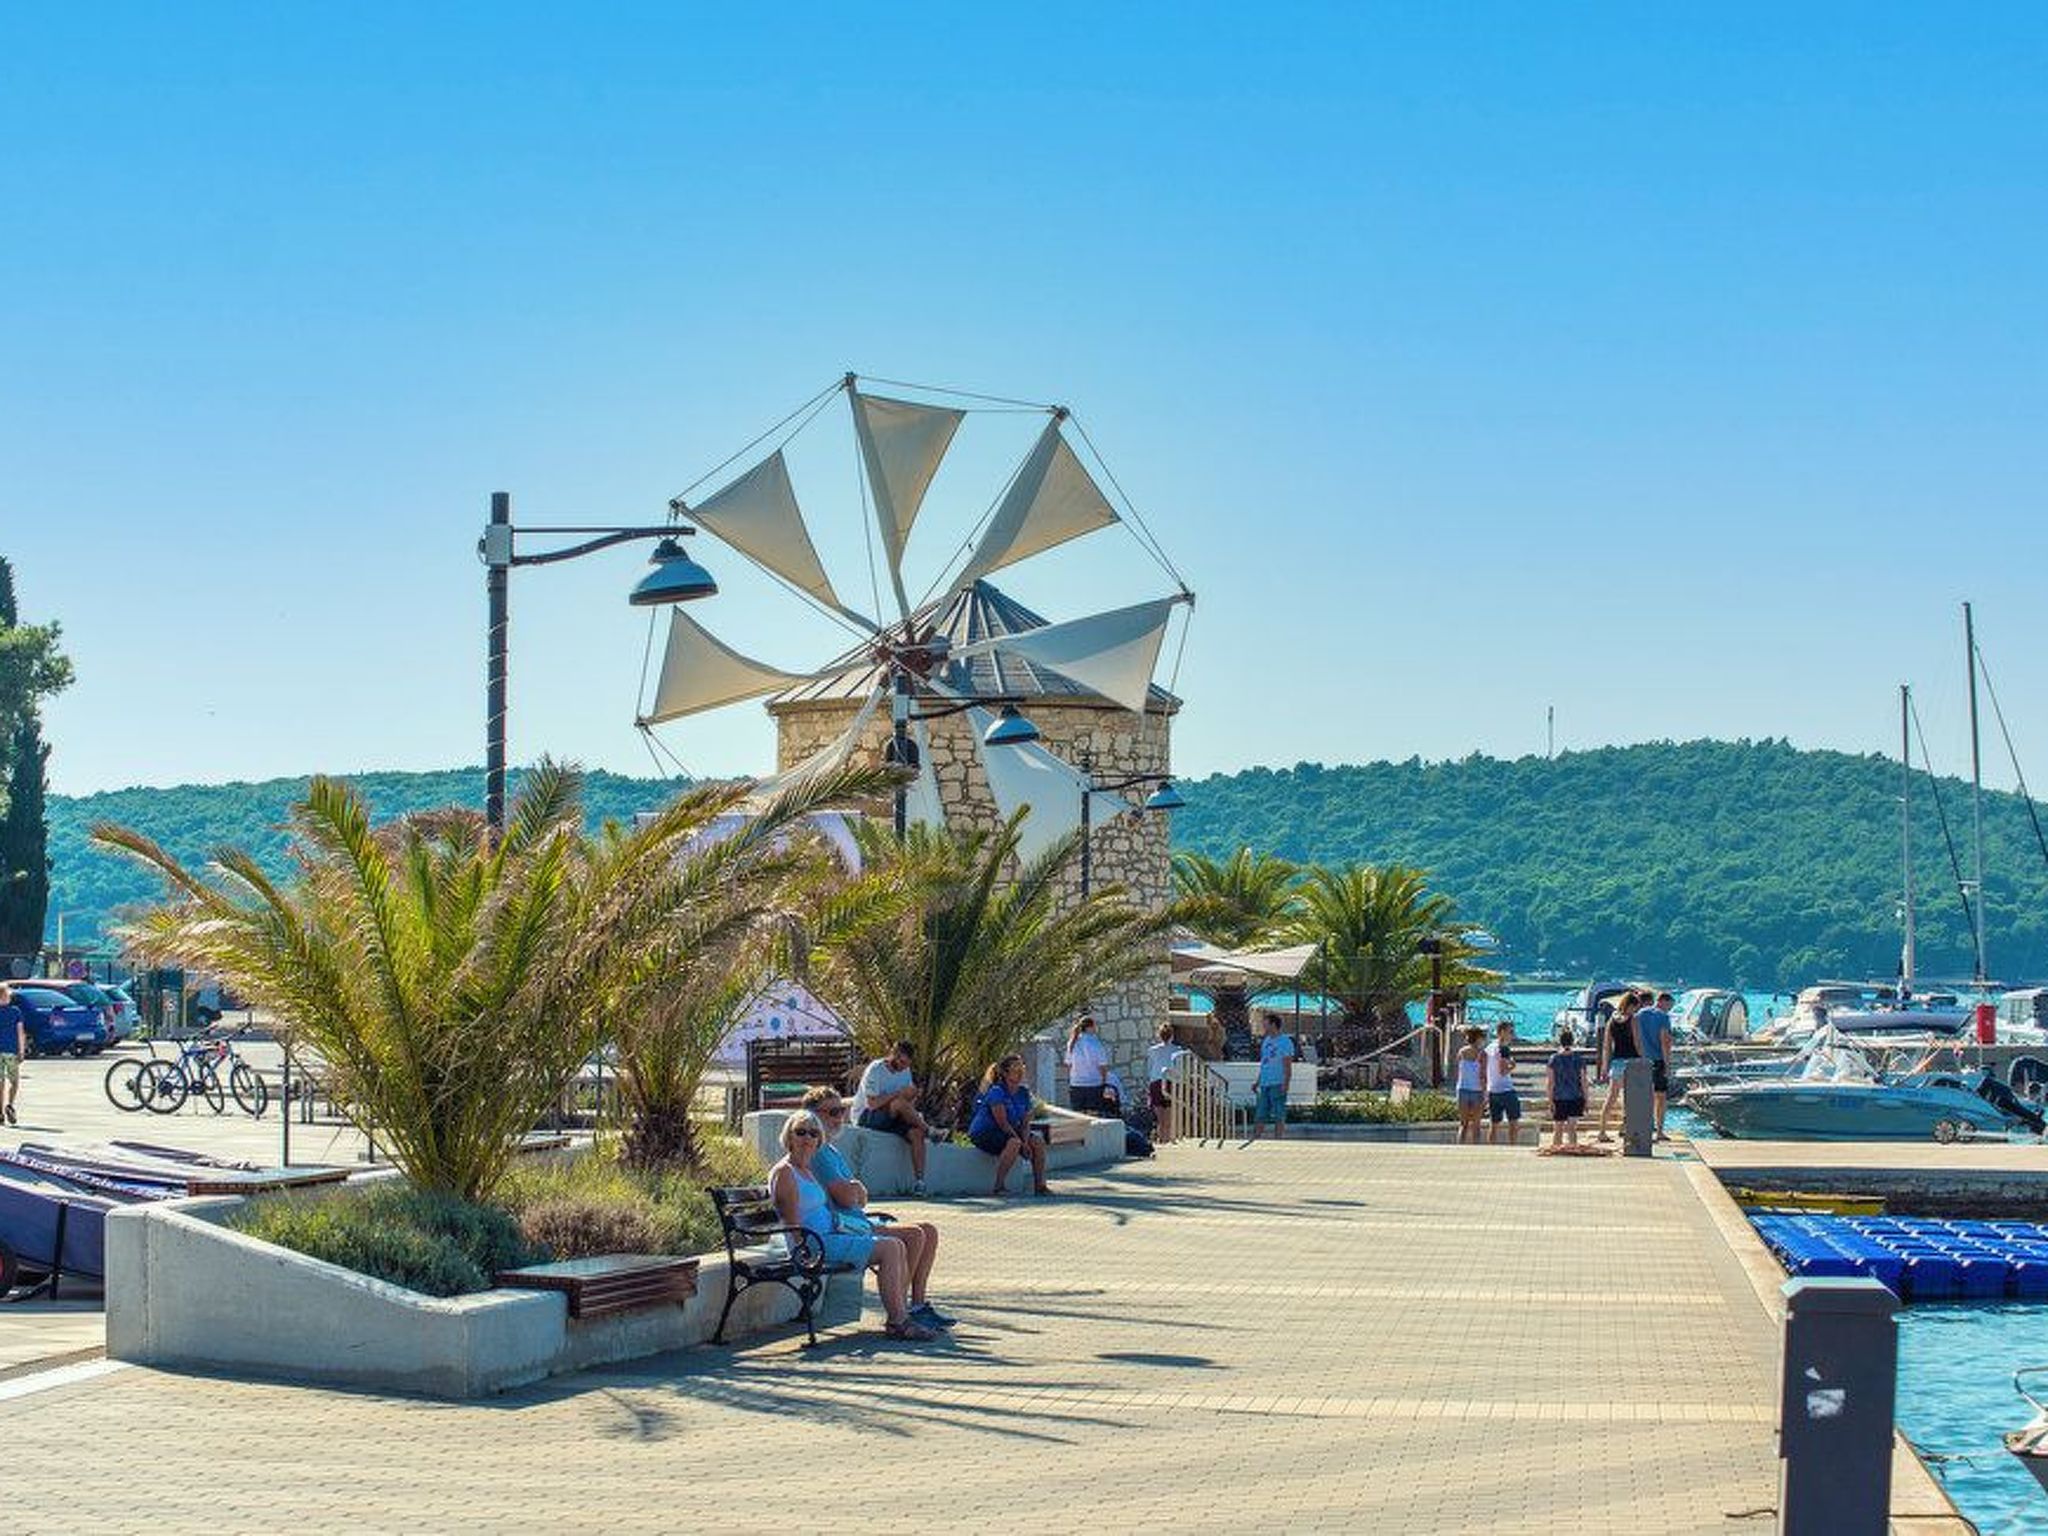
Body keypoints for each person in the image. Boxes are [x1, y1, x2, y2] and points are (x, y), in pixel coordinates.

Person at [768, 1109, 935, 1341]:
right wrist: (801, 1250)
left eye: (813, 1133)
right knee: (889, 1247)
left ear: (819, 1140)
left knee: (895, 1244)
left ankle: (900, 1316)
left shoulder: (805, 1170)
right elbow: (790, 1220)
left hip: (830, 1235)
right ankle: (898, 1321)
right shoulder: (785, 1172)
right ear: (789, 1137)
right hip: (814, 1245)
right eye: (800, 1132)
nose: (807, 1138)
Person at [798, 1086, 951, 1329]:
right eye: (833, 1112)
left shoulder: (831, 1150)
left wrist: (856, 1190)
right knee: (913, 1235)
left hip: (855, 1222)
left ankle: (917, 1305)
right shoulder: (819, 1153)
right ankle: (901, 1309)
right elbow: (849, 1197)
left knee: (928, 1230)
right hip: (845, 1226)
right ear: (813, 1116)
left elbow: (862, 1196)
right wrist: (855, 1190)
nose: (840, 1117)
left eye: (841, 1111)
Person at [968, 1054, 1051, 1196]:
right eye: (1015, 1069)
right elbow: (1002, 1123)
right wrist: (1022, 1144)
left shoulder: (1024, 1093)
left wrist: (1026, 1142)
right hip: (987, 1132)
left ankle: (1040, 1186)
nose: (1020, 1072)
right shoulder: (997, 1091)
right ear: (1005, 1073)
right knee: (1014, 1142)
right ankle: (999, 1186)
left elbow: (1025, 1123)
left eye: (1022, 1068)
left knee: (1037, 1141)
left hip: (1010, 1131)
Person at [854, 1039, 930, 1195]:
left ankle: (920, 1183)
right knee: (899, 1103)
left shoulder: (905, 1071)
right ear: (893, 1055)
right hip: (866, 1117)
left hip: (892, 1116)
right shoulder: (876, 1069)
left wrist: (913, 1095)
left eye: (907, 1064)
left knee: (916, 1133)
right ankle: (929, 1130)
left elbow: (906, 1100)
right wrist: (899, 1094)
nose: (903, 1067)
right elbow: (872, 1104)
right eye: (901, 1062)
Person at [1596, 990, 1643, 1143]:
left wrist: (1604, 1067)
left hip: (1616, 1063)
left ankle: (1602, 1131)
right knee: (1632, 1099)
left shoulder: (1612, 1020)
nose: (1636, 1010)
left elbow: (1606, 1047)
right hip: (1632, 1063)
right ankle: (1627, 1130)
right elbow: (1637, 1042)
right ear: (1630, 1005)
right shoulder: (1633, 1020)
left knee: (1611, 1098)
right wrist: (1644, 1058)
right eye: (1635, 1007)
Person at [1637, 990, 1676, 1141]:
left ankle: (1643, 1129)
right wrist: (1667, 1064)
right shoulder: (1663, 1016)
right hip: (1658, 1060)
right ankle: (1659, 1131)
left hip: (1641, 1060)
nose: (1669, 1010)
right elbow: (1665, 1041)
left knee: (1644, 1097)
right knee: (1660, 1097)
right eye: (1669, 1006)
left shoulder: (1639, 1014)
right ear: (1662, 1001)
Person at [1253, 1013, 1295, 1140]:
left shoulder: (1285, 1042)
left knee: (1278, 1113)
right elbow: (1264, 1063)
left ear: (1273, 1024)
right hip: (1265, 1083)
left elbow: (1287, 1065)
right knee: (1260, 1113)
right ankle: (1256, 1138)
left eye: (1265, 1024)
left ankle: (1278, 1139)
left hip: (1278, 1083)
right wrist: (1258, 1082)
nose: (1263, 1027)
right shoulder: (1266, 1041)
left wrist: (1286, 1083)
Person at [1546, 1027, 1587, 1150]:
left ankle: (1556, 1150)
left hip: (1559, 1097)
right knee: (1572, 1128)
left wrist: (1550, 1100)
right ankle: (1572, 1150)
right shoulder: (1578, 1059)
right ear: (1573, 1041)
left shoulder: (1554, 1059)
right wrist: (1586, 1099)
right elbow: (1584, 1081)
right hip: (1575, 1096)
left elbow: (1550, 1082)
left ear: (1560, 1041)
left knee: (1558, 1128)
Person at [1144, 1023, 1184, 1143]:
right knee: (1169, 1117)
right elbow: (1180, 1070)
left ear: (1159, 1036)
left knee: (1160, 1119)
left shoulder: (1152, 1050)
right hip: (1171, 1083)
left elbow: (1149, 1069)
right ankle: (1169, 1140)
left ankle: (1162, 1140)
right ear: (1172, 1036)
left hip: (1156, 1083)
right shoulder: (1178, 1050)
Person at [1484, 1020, 1522, 1146]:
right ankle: (1513, 1147)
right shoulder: (1503, 1049)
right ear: (1501, 1032)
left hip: (1492, 1089)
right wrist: (1513, 1066)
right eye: (1510, 1032)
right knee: (1514, 1122)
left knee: (1494, 1124)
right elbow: (1502, 1071)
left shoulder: (1489, 1047)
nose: (1512, 1034)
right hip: (1505, 1090)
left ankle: (1491, 1148)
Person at [1065, 1016, 1112, 1114]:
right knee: (1093, 1117)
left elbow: (1069, 1065)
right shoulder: (1096, 1043)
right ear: (1089, 1027)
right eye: (1094, 1026)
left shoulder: (1072, 1043)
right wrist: (1104, 1083)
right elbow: (1103, 1066)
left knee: (1078, 1118)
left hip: (1076, 1084)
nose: (1096, 1029)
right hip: (1093, 1085)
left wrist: (1071, 1080)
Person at [1453, 1026, 1486, 1143]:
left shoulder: (1461, 1052)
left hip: (1462, 1088)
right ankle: (1476, 1149)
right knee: (1476, 1125)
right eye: (1482, 1038)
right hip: (1477, 1090)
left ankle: (1460, 1148)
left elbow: (1457, 1071)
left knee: (1463, 1124)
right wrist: (1485, 1093)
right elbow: (1482, 1075)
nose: (1484, 1041)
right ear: (1478, 1039)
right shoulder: (1482, 1054)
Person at [0, 983, 22, 1126]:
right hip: (11, 1051)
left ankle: (0, 1113)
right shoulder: (15, 1011)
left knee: (0, 1082)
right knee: (14, 1082)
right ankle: (10, 1105)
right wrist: (21, 1050)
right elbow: (20, 1033)